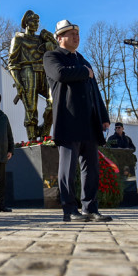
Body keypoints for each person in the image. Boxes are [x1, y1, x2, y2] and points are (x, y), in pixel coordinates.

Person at [43, 19, 112, 223]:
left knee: (91, 168)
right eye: (71, 34)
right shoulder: (52, 56)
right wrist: (84, 72)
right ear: (59, 38)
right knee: (68, 168)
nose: (76, 37)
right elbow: (60, 74)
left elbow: (95, 90)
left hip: (89, 122)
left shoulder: (83, 60)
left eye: (77, 34)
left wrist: (104, 116)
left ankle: (90, 208)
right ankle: (70, 210)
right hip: (68, 121)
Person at [7, 10, 57, 140]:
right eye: (33, 21)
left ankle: (45, 132)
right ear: (26, 23)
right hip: (28, 72)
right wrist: (18, 83)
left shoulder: (41, 39)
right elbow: (12, 63)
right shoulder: (19, 38)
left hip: (44, 72)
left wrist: (50, 39)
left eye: (37, 22)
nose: (36, 24)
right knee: (31, 109)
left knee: (54, 101)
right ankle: (32, 138)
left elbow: (58, 52)